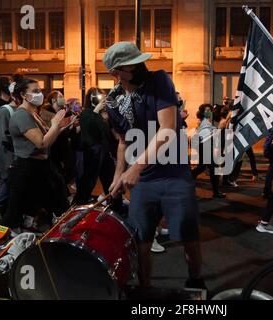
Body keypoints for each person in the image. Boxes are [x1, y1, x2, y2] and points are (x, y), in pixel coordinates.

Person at [104, 42, 204, 289]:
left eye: (140, 61)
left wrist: (135, 167)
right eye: (132, 65)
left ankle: (196, 280)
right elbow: (124, 142)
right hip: (145, 183)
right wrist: (118, 176)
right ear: (116, 72)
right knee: (141, 242)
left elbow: (168, 128)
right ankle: (145, 289)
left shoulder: (158, 80)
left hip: (174, 176)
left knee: (188, 237)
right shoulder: (113, 101)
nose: (140, 67)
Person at [3, 78, 73, 233]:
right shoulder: (21, 115)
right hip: (27, 168)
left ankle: (60, 235)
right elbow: (41, 143)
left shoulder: (33, 113)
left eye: (40, 91)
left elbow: (48, 137)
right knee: (15, 212)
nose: (39, 94)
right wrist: (55, 125)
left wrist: (61, 127)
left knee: (57, 201)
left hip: (41, 167)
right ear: (23, 94)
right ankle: (11, 246)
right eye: (35, 91)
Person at [73, 88, 117, 205]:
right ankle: (77, 206)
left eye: (103, 96)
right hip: (92, 152)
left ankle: (116, 204)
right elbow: (88, 127)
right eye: (98, 96)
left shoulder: (105, 113)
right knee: (87, 182)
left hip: (104, 151)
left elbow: (107, 132)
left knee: (110, 180)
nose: (102, 99)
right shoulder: (87, 113)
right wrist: (96, 112)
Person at [0, 75, 23, 222]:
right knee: (8, 182)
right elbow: (3, 136)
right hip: (7, 154)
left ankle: (5, 215)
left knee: (11, 184)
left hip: (15, 154)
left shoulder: (19, 110)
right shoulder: (4, 111)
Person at [192, 104, 226, 199]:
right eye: (207, 110)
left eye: (210, 110)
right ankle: (216, 192)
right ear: (203, 112)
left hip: (204, 145)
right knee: (213, 168)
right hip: (205, 145)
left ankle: (188, 179)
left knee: (203, 167)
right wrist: (219, 129)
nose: (209, 112)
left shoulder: (205, 122)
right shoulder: (205, 122)